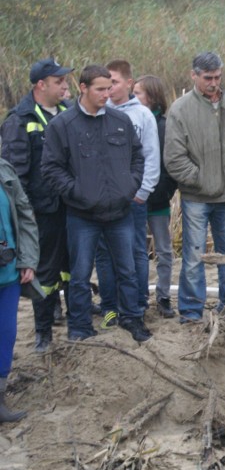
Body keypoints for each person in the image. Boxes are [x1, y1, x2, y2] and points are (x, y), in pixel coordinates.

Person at [41, 65, 150, 342]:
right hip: (82, 215)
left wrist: (130, 185)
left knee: (127, 269)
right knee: (79, 274)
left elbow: (138, 156)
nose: (107, 93)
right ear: (83, 88)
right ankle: (79, 327)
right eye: (100, 89)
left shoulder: (120, 121)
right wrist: (77, 192)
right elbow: (51, 169)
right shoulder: (62, 126)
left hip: (120, 212)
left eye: (109, 88)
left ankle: (132, 319)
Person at [164, 51, 225, 323]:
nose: (214, 83)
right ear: (194, 76)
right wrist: (202, 180)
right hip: (196, 198)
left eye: (218, 77)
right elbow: (174, 160)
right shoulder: (180, 110)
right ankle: (190, 312)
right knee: (193, 258)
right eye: (208, 78)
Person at [0, 58, 73, 352]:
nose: (65, 86)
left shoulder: (69, 112)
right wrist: (27, 217)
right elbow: (15, 178)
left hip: (71, 205)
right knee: (45, 271)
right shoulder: (19, 120)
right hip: (42, 212)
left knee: (72, 268)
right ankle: (43, 333)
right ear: (41, 85)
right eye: (59, 82)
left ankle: (71, 316)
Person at [95, 60, 160, 329]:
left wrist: (142, 191)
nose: (110, 88)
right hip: (102, 200)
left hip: (132, 200)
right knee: (104, 254)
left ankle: (138, 302)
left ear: (129, 84)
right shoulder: (97, 112)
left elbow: (151, 157)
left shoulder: (142, 115)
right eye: (106, 83)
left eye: (115, 82)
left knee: (135, 252)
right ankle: (109, 306)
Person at [134, 75, 178, 317]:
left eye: (138, 93)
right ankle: (139, 296)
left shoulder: (164, 126)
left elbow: (171, 165)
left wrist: (163, 192)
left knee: (164, 250)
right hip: (133, 201)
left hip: (158, 201)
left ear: (151, 96)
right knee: (137, 250)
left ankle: (163, 296)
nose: (133, 97)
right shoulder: (130, 121)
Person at [0, 158, 39, 422]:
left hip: (9, 272)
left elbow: (25, 215)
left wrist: (27, 259)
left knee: (6, 334)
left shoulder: (5, 170)